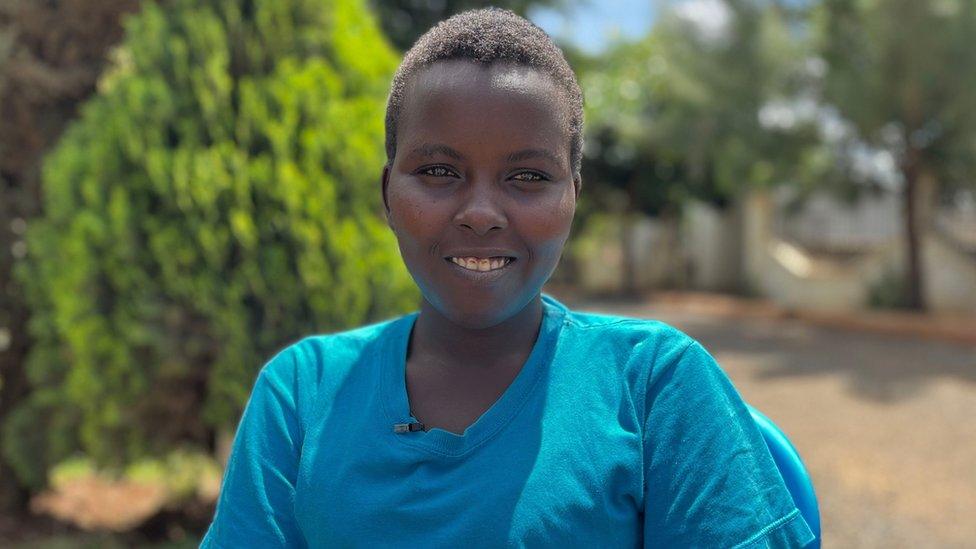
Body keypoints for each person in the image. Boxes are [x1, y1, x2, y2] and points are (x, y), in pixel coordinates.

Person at [201, 8, 815, 548]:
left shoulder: (655, 385)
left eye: (527, 178)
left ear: (572, 199)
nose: (481, 213)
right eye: (440, 170)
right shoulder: (302, 393)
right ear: (388, 195)